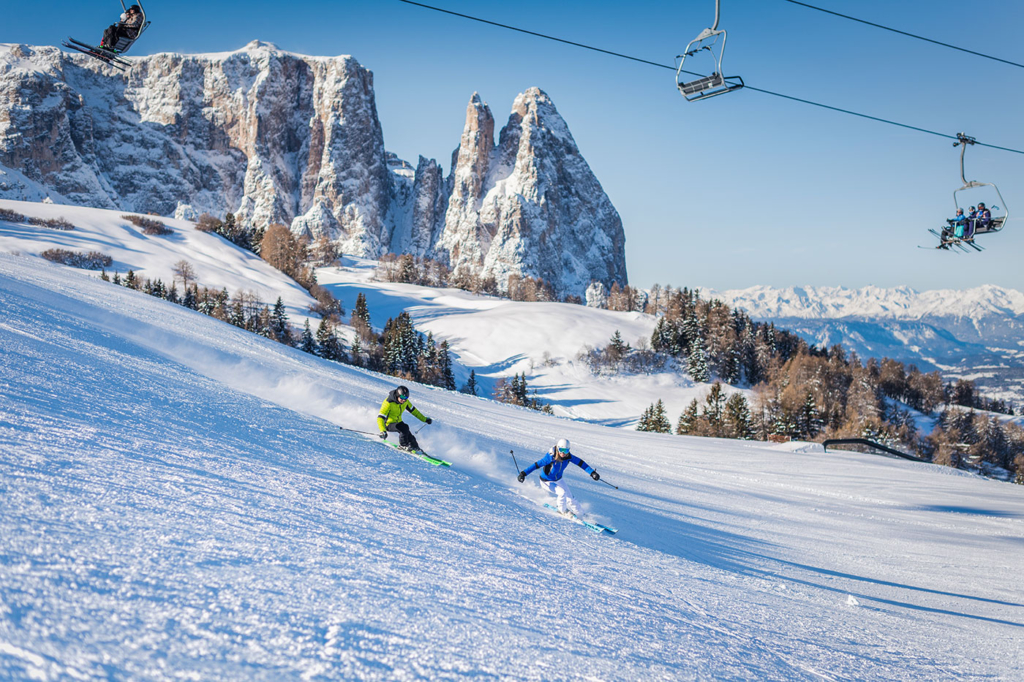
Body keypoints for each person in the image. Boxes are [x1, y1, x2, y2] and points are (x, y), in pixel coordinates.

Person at [517, 438, 600, 518]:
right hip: (546, 481)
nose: (563, 453)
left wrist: (592, 473)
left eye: (566, 451)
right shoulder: (550, 457)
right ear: (557, 448)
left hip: (558, 480)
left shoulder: (568, 457)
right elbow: (536, 465)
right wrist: (523, 473)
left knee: (570, 497)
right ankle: (562, 511)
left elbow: (581, 463)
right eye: (561, 450)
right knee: (562, 493)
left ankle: (581, 514)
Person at [377, 385, 432, 452]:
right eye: (402, 397)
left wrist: (425, 419)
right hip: (388, 424)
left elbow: (414, 411)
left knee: (410, 436)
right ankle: (403, 445)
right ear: (397, 395)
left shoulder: (405, 402)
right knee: (404, 428)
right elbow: (380, 417)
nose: (404, 400)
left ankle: (416, 448)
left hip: (398, 422)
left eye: (406, 398)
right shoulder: (388, 402)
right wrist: (382, 431)